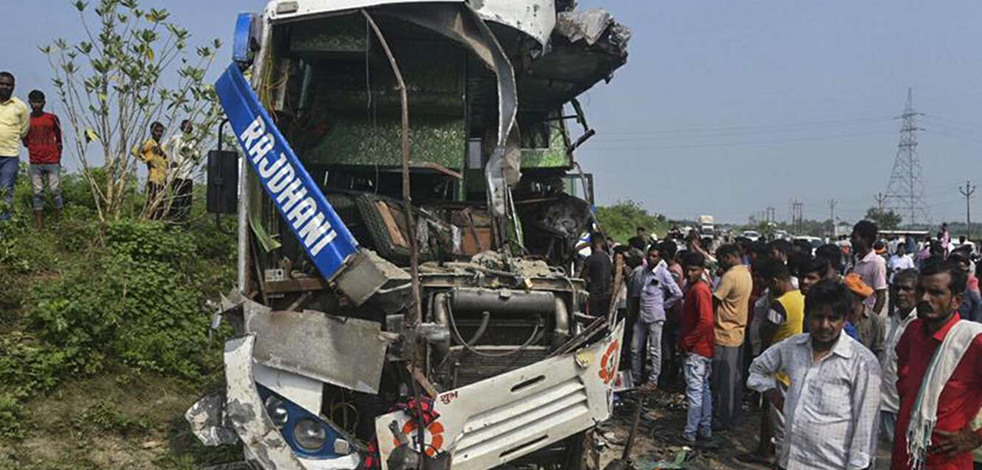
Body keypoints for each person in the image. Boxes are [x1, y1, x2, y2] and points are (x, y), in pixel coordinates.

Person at [748, 279, 882, 470]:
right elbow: (757, 370)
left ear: (844, 319)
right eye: (818, 317)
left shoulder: (862, 363)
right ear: (806, 316)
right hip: (790, 462)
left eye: (833, 318)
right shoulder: (792, 347)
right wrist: (774, 395)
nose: (824, 325)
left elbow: (865, 430)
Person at [893, 260, 982, 470]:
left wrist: (974, 438)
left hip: (946, 461)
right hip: (904, 454)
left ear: (957, 300)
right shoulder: (913, 331)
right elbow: (904, 374)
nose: (925, 298)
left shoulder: (972, 341)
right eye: (921, 290)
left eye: (936, 293)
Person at [739, 258, 805, 467]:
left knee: (780, 423)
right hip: (795, 366)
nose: (767, 288)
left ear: (776, 280)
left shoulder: (779, 305)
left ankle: (782, 461)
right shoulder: (801, 298)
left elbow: (766, 335)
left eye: (768, 283)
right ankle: (768, 452)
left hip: (778, 370)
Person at [630, 242, 683, 390]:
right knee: (635, 348)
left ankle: (653, 380)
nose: (651, 258)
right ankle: (636, 377)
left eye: (654, 256)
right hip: (642, 315)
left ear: (660, 258)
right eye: (650, 255)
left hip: (655, 316)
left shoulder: (664, 273)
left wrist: (663, 305)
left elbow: (677, 293)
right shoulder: (644, 272)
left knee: (655, 350)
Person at [711, 244, 753, 431]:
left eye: (721, 259)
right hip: (738, 331)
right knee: (734, 379)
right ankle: (734, 416)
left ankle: (722, 418)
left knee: (722, 380)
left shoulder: (730, 277)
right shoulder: (745, 272)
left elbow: (714, 300)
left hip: (724, 332)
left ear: (728, 257)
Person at [678, 250, 716, 447]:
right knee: (703, 390)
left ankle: (690, 433)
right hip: (702, 349)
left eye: (694, 270)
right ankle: (704, 428)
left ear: (701, 270)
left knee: (695, 392)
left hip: (697, 350)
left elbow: (706, 321)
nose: (690, 273)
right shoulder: (698, 287)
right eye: (688, 270)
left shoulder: (699, 289)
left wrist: (687, 342)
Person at [881, 268, 919, 445]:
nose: (900, 293)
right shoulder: (893, 319)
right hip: (883, 402)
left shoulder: (920, 323)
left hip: (903, 407)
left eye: (906, 289)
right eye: (896, 288)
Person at [22, 90, 63, 230]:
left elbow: (59, 138)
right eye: (34, 102)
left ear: (44, 103)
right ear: (29, 102)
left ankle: (59, 224)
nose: (36, 105)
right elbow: (24, 139)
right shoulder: (26, 119)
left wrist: (58, 158)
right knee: (37, 193)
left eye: (39, 102)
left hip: (52, 161)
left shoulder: (52, 118)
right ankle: (40, 228)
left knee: (55, 191)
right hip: (35, 162)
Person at [0, 72, 30, 222]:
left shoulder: (21, 107)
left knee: (6, 192)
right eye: (2, 83)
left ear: (13, 87)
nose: (4, 86)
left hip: (9, 156)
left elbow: (24, 130)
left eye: (8, 84)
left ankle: (3, 231)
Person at [843, 273, 886, 361]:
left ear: (860, 297)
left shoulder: (876, 321)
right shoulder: (839, 317)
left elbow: (879, 353)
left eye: (849, 295)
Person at [850, 220, 888, 316]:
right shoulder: (856, 259)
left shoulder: (876, 262)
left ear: (865, 239)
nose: (851, 241)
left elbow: (881, 296)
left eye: (854, 237)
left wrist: (872, 320)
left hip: (867, 314)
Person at [164, 119, 199, 224]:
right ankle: (171, 218)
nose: (188, 128)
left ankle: (183, 220)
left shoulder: (194, 141)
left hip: (188, 174)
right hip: (176, 173)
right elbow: (164, 147)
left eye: (190, 126)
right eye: (185, 126)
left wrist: (192, 152)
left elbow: (197, 156)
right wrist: (170, 161)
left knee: (187, 199)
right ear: (181, 127)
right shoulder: (176, 138)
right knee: (177, 197)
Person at [138, 121, 169, 220]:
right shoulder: (150, 143)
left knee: (161, 205)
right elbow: (137, 151)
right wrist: (147, 160)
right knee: (153, 202)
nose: (159, 134)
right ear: (152, 131)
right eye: (157, 131)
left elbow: (166, 161)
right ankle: (149, 222)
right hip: (154, 178)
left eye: (161, 131)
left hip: (163, 178)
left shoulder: (161, 146)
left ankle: (156, 224)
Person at [582, 234, 613, 317]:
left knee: (592, 319)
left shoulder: (591, 258)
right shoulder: (607, 258)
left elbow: (583, 277)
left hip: (594, 295)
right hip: (605, 295)